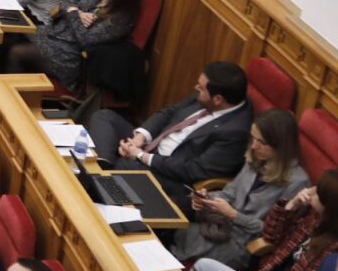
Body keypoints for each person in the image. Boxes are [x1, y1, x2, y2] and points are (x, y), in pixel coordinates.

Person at [87, 61, 252, 203]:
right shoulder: (212, 96)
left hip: (170, 173)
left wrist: (141, 156)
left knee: (125, 165)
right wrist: (139, 138)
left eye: (201, 88)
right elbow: (169, 112)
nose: (196, 89)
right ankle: (102, 167)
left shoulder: (235, 132)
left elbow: (194, 170)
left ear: (218, 99)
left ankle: (96, 184)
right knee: (104, 117)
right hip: (151, 145)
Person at [170, 109, 308, 270]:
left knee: (173, 236)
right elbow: (230, 193)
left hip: (243, 246)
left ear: (281, 147)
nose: (254, 146)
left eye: (262, 142)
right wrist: (206, 199)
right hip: (220, 227)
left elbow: (276, 235)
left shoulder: (297, 183)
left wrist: (234, 215)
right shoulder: (256, 158)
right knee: (170, 217)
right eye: (253, 138)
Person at [190, 170, 338, 271]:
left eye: (318, 192)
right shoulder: (315, 219)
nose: (311, 191)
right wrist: (291, 205)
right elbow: (270, 235)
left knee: (203, 267)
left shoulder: (332, 248)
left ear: (329, 205)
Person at [4, 0, 141, 89]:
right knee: (9, 34)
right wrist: (77, 12)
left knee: (16, 53)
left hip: (67, 55)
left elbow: (85, 39)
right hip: (53, 33)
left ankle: (14, 99)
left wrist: (72, 12)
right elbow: (65, 2)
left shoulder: (121, 19)